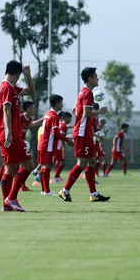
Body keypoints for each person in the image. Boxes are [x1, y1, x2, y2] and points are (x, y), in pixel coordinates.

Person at [58, 67, 110, 203]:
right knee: (82, 163)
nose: (98, 78)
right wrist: (100, 112)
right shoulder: (87, 93)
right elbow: (86, 113)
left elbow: (75, 110)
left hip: (85, 132)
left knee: (92, 161)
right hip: (82, 134)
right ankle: (65, 190)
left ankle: (93, 194)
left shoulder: (83, 93)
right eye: (96, 76)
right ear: (90, 78)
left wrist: (83, 121)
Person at [0, 60, 37, 212]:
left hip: (3, 133)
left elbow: (31, 92)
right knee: (29, 165)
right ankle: (12, 198)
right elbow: (6, 110)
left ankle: (6, 205)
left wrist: (29, 75)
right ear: (17, 73)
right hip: (9, 134)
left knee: (10, 169)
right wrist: (9, 133)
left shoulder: (9, 87)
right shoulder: (7, 88)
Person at [38, 95, 72, 196]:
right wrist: (67, 140)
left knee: (44, 167)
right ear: (57, 104)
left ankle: (44, 190)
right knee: (47, 167)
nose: (62, 104)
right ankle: (47, 191)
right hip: (47, 144)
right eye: (61, 102)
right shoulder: (54, 116)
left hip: (42, 143)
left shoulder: (48, 114)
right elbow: (56, 133)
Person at [53, 111, 72, 182]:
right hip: (58, 146)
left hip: (57, 145)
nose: (70, 120)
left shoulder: (62, 125)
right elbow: (61, 137)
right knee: (62, 162)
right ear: (66, 118)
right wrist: (64, 148)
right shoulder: (63, 126)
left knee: (58, 162)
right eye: (70, 118)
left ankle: (57, 176)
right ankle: (56, 177)